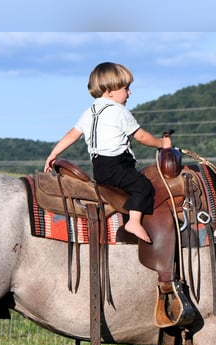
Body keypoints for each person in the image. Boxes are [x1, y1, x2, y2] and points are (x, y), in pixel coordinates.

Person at [43, 62, 172, 244]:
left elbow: (72, 135)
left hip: (100, 170)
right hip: (118, 166)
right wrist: (162, 143)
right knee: (143, 186)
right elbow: (141, 136)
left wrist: (53, 154)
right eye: (126, 88)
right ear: (110, 91)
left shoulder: (89, 112)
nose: (130, 93)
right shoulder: (119, 112)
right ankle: (134, 222)